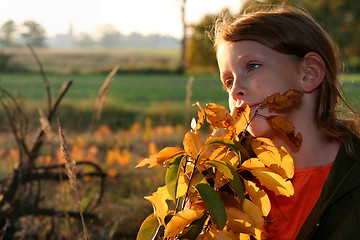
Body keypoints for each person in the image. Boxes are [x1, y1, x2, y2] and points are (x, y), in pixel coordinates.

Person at [212, 5, 360, 240]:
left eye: (252, 66)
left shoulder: (352, 175)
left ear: (309, 73)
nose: (236, 90)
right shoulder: (226, 181)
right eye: (228, 81)